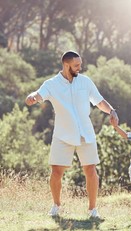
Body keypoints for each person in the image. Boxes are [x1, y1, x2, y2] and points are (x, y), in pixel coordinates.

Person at [25, 50, 119, 218]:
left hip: (86, 133)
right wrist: (31, 97)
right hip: (63, 135)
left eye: (80, 65)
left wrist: (111, 111)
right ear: (66, 65)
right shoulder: (51, 84)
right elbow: (38, 95)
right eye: (76, 65)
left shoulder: (85, 82)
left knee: (91, 170)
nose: (79, 68)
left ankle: (92, 210)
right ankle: (56, 205)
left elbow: (99, 101)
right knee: (56, 173)